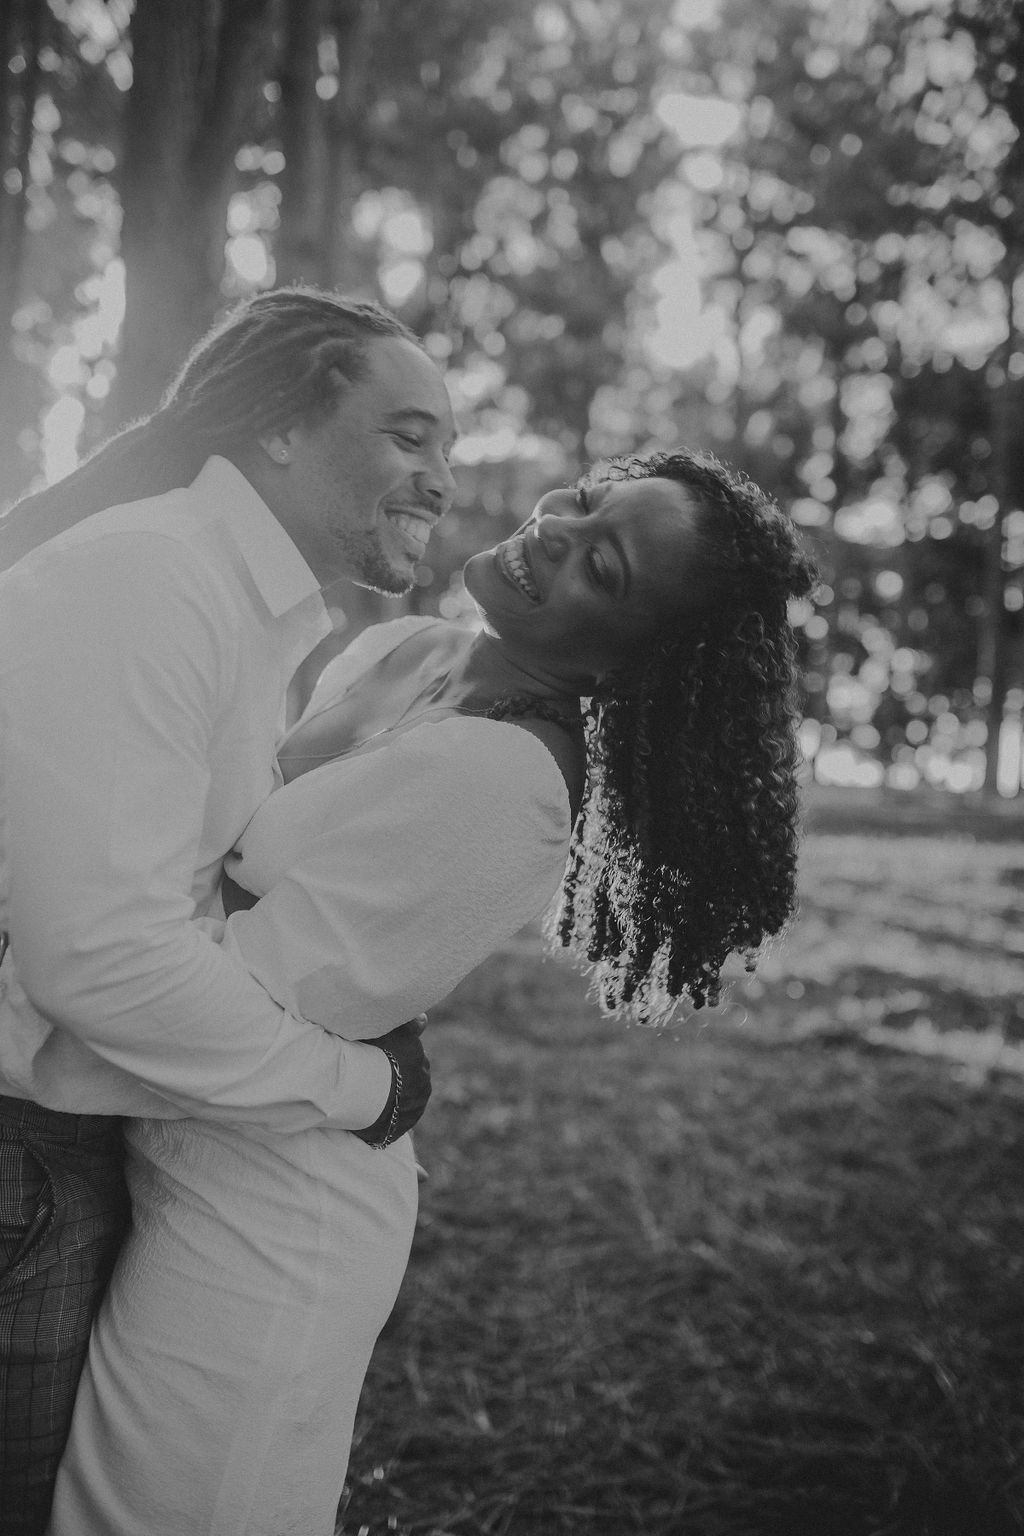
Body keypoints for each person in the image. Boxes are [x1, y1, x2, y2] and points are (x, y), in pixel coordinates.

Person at [45, 447, 817, 1536]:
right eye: (586, 498)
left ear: (630, 667)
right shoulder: (411, 647)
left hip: (263, 1212)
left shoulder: (507, 781)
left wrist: (51, 968)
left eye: (602, 567)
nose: (558, 527)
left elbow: (216, 1003)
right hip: (158, 1146)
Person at [0, 285, 454, 1534]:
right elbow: (104, 958)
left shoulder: (237, 607)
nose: (439, 478)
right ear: (282, 427)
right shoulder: (151, 578)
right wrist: (359, 1086)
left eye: (448, 448)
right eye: (408, 435)